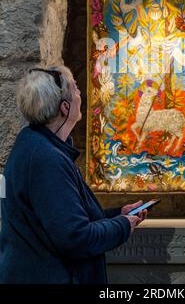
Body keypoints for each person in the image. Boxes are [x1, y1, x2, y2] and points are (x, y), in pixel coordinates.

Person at [0, 66, 147, 284]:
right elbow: (75, 237)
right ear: (65, 107)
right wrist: (123, 225)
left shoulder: (36, 145)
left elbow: (59, 217)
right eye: (76, 89)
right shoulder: (45, 159)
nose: (81, 94)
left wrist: (116, 214)